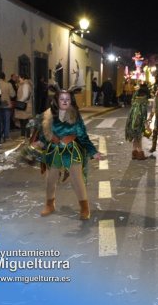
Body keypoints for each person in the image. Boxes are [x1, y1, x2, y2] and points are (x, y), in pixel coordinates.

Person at [32, 87, 102, 219]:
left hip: (71, 150)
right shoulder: (49, 115)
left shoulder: (75, 116)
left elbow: (83, 136)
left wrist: (93, 152)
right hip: (54, 150)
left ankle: (84, 208)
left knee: (77, 180)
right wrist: (40, 143)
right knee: (50, 180)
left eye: (67, 99)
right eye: (62, 99)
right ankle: (49, 204)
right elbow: (45, 133)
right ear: (57, 101)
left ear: (71, 101)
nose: (65, 101)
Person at [125, 83, 150, 160]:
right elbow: (143, 115)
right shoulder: (143, 103)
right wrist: (146, 125)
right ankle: (140, 153)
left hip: (131, 120)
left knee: (135, 137)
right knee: (139, 137)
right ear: (145, 95)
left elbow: (133, 98)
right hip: (138, 122)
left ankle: (134, 153)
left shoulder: (135, 101)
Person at [0, 72, 15, 143]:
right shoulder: (8, 84)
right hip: (7, 105)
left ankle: (0, 136)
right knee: (6, 121)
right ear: (4, 77)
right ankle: (6, 136)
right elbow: (13, 94)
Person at [14, 73, 34, 138]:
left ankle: (25, 136)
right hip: (25, 105)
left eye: (19, 78)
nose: (19, 79)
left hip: (24, 106)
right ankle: (24, 136)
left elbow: (25, 95)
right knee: (24, 122)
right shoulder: (23, 84)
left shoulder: (25, 85)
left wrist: (19, 102)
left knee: (24, 122)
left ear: (23, 78)